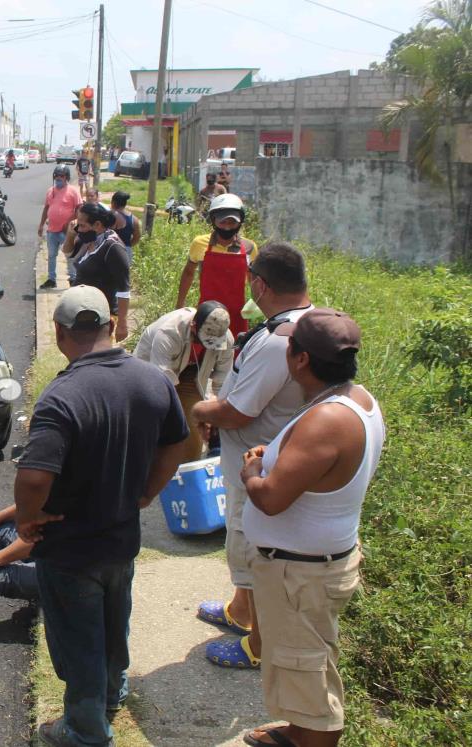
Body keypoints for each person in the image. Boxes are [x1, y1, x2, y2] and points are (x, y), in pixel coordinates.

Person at [16, 286, 190, 747]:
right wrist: (149, 491)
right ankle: (113, 692)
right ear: (112, 324)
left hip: (71, 548)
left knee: (79, 642)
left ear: (59, 332)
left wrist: (27, 521)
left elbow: (34, 477)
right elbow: (178, 442)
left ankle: (86, 731)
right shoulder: (153, 380)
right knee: (115, 624)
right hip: (122, 538)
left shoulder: (63, 396)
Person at [240, 308, 383, 747]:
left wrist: (252, 472)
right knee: (304, 666)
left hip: (300, 576)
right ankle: (297, 730)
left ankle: (312, 735)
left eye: (289, 347)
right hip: (309, 567)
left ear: (301, 360)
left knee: (310, 677)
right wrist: (281, 456)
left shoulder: (327, 420)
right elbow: (319, 470)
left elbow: (270, 499)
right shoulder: (356, 399)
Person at [191, 243, 314, 670]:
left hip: (257, 463)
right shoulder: (301, 323)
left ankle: (257, 645)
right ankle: (240, 610)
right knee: (241, 540)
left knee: (252, 545)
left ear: (260, 285)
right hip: (256, 455)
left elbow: (239, 410)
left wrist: (202, 409)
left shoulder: (278, 340)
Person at [135, 301, 234, 463]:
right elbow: (162, 385)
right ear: (194, 326)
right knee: (157, 421)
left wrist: (213, 414)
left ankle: (189, 468)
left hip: (191, 371)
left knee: (193, 422)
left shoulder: (225, 339)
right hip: (153, 371)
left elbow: (223, 383)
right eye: (205, 340)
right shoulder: (168, 333)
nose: (208, 345)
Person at [175, 193, 258, 338]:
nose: (227, 227)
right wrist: (179, 305)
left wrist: (257, 304)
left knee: (233, 354)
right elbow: (189, 272)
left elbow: (254, 281)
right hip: (207, 312)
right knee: (201, 354)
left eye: (232, 222)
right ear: (213, 221)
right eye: (222, 222)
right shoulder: (199, 243)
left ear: (240, 222)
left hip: (237, 315)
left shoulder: (249, 247)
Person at [63, 202, 131, 342]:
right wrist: (70, 235)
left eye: (82, 225)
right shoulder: (89, 240)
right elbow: (68, 251)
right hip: (83, 312)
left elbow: (124, 289)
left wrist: (122, 325)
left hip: (102, 317)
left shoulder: (113, 248)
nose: (79, 229)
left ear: (97, 225)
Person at [37, 165, 83, 289]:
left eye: (61, 176)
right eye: (56, 175)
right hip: (52, 230)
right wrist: (41, 225)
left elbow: (79, 208)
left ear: (66, 177)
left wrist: (72, 222)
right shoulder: (50, 191)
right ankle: (51, 279)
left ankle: (73, 278)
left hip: (66, 230)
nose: (58, 178)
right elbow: (47, 208)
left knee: (70, 254)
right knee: (51, 255)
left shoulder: (73, 191)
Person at [110, 191, 142, 255]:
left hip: (111, 249)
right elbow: (137, 238)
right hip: (126, 251)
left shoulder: (110, 215)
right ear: (125, 203)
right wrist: (126, 245)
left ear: (113, 202)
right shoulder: (134, 219)